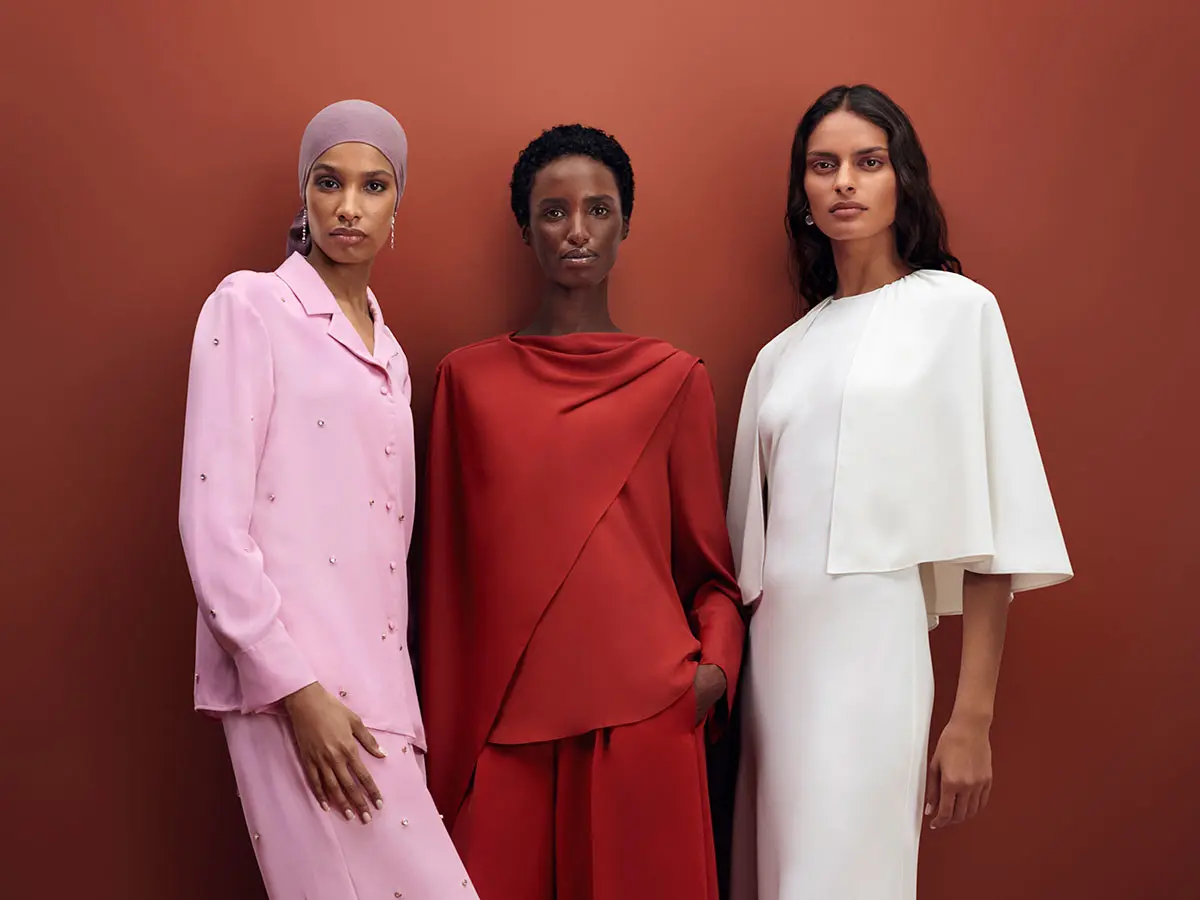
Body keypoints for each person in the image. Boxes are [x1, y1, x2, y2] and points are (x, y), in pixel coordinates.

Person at [727, 84, 1073, 900]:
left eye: (868, 162)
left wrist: (971, 718)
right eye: (824, 165)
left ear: (901, 181)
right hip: (776, 664)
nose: (844, 181)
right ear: (803, 195)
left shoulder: (957, 313)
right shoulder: (781, 354)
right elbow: (744, 553)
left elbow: (1002, 529)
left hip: (875, 651)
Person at [418, 124, 745, 900]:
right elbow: (440, 582)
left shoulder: (674, 379)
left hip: (643, 720)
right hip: (500, 727)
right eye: (554, 211)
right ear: (525, 228)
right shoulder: (465, 383)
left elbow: (710, 571)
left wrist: (713, 673)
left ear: (624, 224)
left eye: (598, 210)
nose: (576, 230)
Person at [178, 99, 478, 900]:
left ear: (396, 209)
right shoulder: (249, 307)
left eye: (373, 186)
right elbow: (212, 522)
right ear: (303, 197)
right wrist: (299, 693)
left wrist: (398, 708)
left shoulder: (391, 351)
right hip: (291, 694)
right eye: (329, 183)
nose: (350, 206)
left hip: (382, 695)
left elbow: (390, 544)